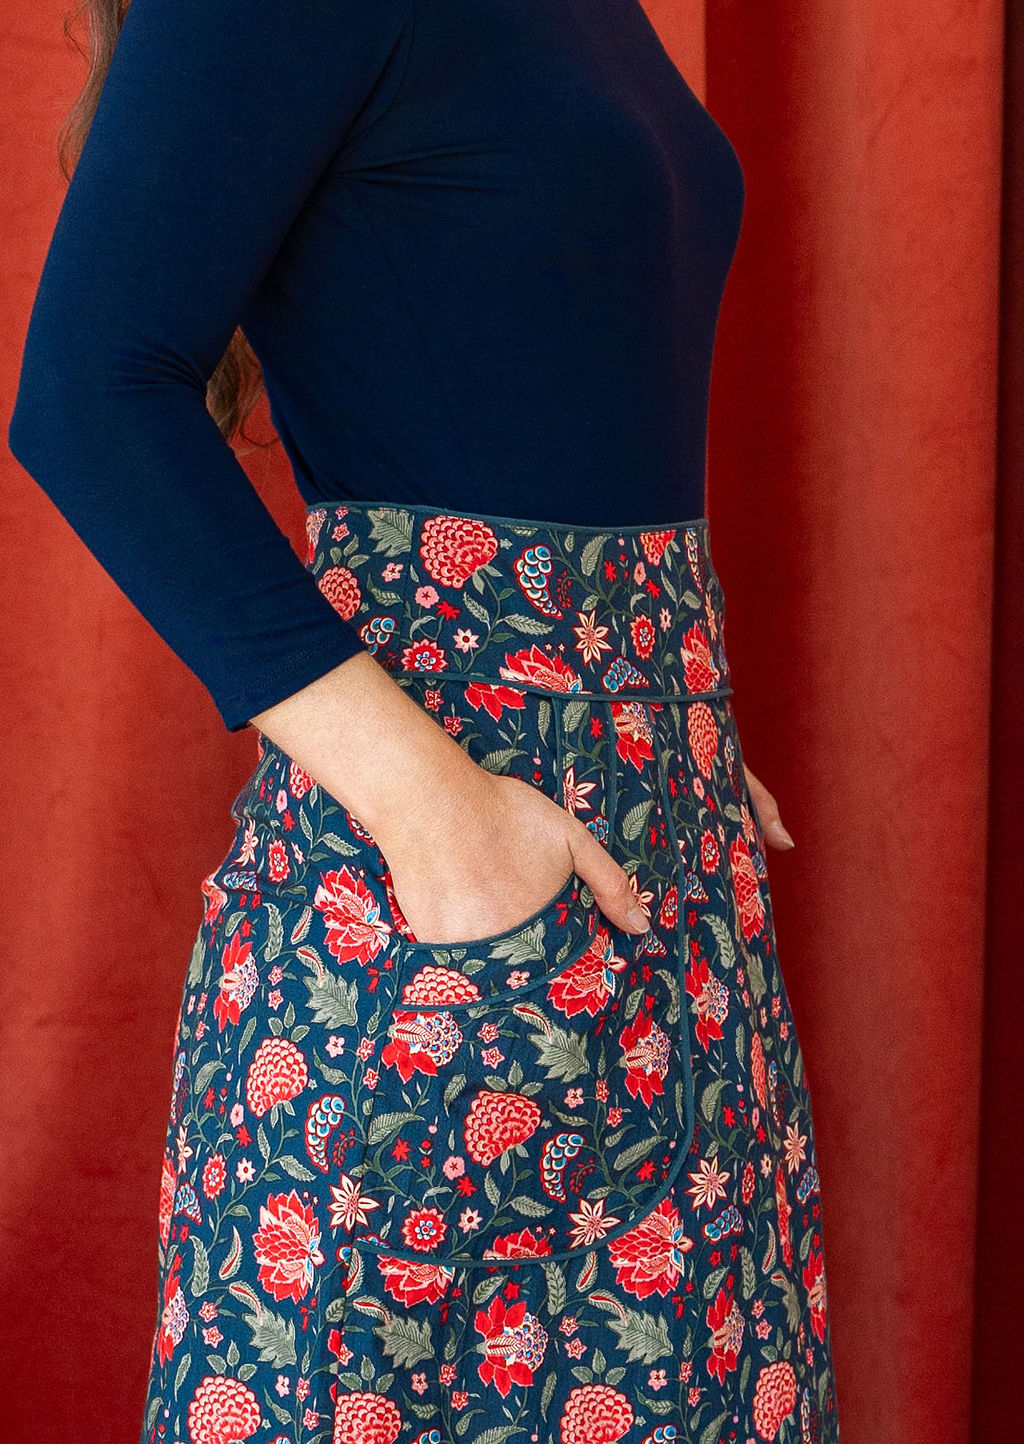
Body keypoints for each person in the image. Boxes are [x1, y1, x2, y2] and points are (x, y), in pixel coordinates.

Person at [7, 0, 841, 1440]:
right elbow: (87, 392)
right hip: (435, 899)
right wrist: (432, 809)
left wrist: (665, 710)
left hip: (665, 869)